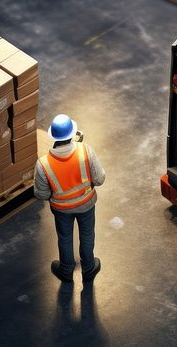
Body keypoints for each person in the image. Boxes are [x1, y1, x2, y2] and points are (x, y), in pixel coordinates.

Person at [35, 114, 105, 283]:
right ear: (72, 134)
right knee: (87, 235)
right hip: (86, 204)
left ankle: (66, 270)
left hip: (62, 210)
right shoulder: (85, 150)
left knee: (65, 238)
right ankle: (88, 268)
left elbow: (41, 194)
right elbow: (99, 179)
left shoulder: (43, 164)